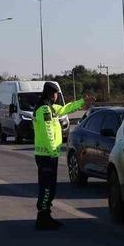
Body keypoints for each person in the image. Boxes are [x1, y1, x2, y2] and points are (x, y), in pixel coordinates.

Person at [32, 81, 86, 230]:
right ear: (52, 94)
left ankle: (46, 215)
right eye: (56, 93)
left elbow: (64, 109)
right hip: (46, 155)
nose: (57, 96)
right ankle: (42, 218)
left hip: (49, 154)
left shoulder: (50, 107)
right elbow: (48, 132)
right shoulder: (44, 109)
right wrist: (53, 151)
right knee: (47, 187)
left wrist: (82, 102)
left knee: (50, 186)